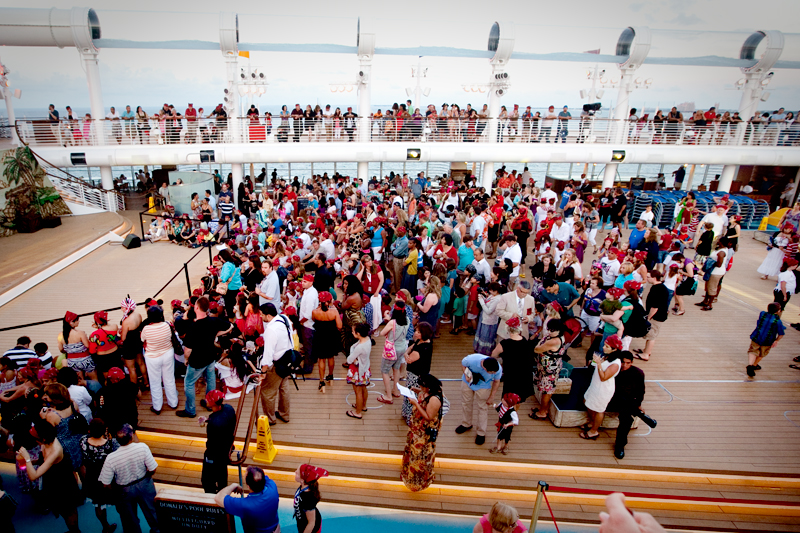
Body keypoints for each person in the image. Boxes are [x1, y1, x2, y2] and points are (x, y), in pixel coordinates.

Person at [17, 421, 83, 533]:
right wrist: (31, 462)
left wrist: (27, 459)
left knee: (69, 510)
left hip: (63, 484)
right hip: (53, 481)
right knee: (62, 510)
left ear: (43, 439)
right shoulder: (46, 441)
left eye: (36, 438)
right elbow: (43, 462)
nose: (35, 441)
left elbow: (34, 476)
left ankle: (75, 531)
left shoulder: (55, 450)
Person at [99, 424, 161, 533]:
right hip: (144, 484)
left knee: (129, 520)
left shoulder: (111, 458)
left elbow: (106, 484)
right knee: (153, 512)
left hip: (124, 490)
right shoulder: (142, 447)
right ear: (131, 436)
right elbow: (153, 469)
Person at [401, 373, 444, 492]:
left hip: (424, 432)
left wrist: (415, 403)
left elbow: (428, 416)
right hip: (416, 428)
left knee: (420, 455)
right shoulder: (430, 391)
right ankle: (408, 473)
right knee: (412, 450)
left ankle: (419, 481)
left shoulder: (434, 399)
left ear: (428, 387)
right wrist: (417, 391)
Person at [80, 418, 120, 533]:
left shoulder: (83, 441)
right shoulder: (111, 444)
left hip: (92, 477)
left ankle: (105, 527)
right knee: (119, 502)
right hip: (109, 477)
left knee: (98, 504)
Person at [581, 336, 623, 440]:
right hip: (595, 386)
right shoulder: (608, 356)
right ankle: (593, 422)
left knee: (599, 410)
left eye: (607, 346)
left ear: (614, 349)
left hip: (603, 389)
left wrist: (599, 364)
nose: (603, 347)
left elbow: (604, 377)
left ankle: (594, 431)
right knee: (588, 402)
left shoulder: (616, 364)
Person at [215, 466, 280, 533]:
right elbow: (262, 478)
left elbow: (218, 498)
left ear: (248, 486)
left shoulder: (244, 505)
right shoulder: (272, 486)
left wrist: (233, 485)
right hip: (275, 530)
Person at [606, 352, 646, 459]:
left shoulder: (638, 373)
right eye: (623, 362)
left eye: (628, 363)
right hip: (611, 400)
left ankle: (620, 445)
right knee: (627, 415)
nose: (624, 365)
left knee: (627, 420)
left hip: (627, 402)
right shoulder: (614, 369)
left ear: (632, 363)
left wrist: (638, 404)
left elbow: (640, 391)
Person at [455, 354, 502, 445]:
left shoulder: (498, 369)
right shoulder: (472, 359)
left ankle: (481, 433)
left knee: (483, 408)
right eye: (491, 373)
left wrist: (492, 396)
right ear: (484, 367)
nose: (493, 374)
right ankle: (466, 424)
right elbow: (463, 364)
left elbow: (496, 381)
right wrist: (466, 374)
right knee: (466, 403)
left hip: (484, 387)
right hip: (467, 383)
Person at [140, 305, 178, 414]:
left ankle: (157, 406)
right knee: (169, 379)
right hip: (167, 354)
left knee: (155, 381)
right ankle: (173, 402)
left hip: (152, 357)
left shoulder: (146, 329)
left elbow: (143, 340)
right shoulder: (167, 325)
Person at [259, 303, 293, 426]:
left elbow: (268, 354)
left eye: (261, 314)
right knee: (284, 388)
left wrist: (263, 371)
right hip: (287, 358)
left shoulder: (271, 330)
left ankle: (270, 418)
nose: (260, 316)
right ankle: (285, 414)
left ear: (268, 316)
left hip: (276, 363)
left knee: (268, 392)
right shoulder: (284, 319)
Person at [196, 389, 236, 494]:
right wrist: (209, 420)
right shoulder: (229, 409)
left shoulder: (214, 424)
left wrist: (210, 421)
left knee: (207, 481)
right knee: (222, 477)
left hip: (214, 455)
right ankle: (223, 496)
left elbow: (211, 443)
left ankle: (212, 502)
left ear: (211, 403)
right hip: (226, 449)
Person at [529, 319, 565, 420]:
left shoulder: (553, 341)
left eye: (552, 330)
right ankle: (543, 408)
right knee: (545, 389)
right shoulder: (557, 337)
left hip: (549, 370)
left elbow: (537, 349)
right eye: (548, 329)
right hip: (547, 367)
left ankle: (543, 412)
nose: (549, 331)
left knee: (546, 391)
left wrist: (541, 342)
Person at [490, 317, 532, 402]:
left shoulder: (504, 343)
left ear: (508, 330)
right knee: (519, 398)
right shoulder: (525, 341)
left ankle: (508, 413)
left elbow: (493, 354)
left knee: (508, 397)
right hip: (523, 373)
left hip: (511, 373)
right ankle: (514, 412)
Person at [402, 322, 434, 424]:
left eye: (418, 331)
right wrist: (406, 353)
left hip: (416, 375)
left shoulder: (421, 348)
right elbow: (409, 348)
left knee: (411, 395)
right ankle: (406, 413)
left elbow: (409, 359)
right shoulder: (421, 342)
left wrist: (406, 354)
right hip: (418, 372)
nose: (415, 333)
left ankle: (410, 417)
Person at [377, 301, 409, 404]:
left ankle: (388, 396)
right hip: (402, 347)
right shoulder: (407, 320)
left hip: (391, 349)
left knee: (385, 371)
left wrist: (387, 319)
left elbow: (382, 333)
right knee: (396, 368)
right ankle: (396, 390)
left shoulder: (392, 322)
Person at [634, 270, 669, 361]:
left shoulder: (657, 289)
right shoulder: (660, 287)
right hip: (659, 315)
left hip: (656, 316)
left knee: (651, 335)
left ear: (654, 278)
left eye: (648, 277)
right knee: (650, 334)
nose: (647, 278)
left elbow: (655, 307)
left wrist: (648, 317)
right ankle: (646, 350)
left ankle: (646, 354)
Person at [311, 291, 341, 392]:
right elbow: (339, 326)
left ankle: (321, 381)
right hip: (331, 335)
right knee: (331, 356)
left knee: (321, 359)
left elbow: (314, 320)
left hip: (320, 336)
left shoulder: (315, 311)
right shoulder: (334, 312)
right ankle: (331, 376)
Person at [747, 302, 785, 377]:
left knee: (753, 351)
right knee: (762, 353)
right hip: (768, 340)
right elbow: (781, 333)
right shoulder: (778, 321)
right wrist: (776, 340)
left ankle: (750, 365)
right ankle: (754, 365)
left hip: (757, 336)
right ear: (778, 311)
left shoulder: (762, 314)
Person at [345, 322, 372, 419]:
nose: (352, 333)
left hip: (357, 371)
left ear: (358, 333)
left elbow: (349, 360)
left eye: (353, 331)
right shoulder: (368, 340)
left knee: (358, 391)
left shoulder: (360, 347)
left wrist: (353, 357)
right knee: (364, 388)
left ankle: (358, 412)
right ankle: (363, 406)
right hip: (365, 368)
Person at [293, 464, 328, 533]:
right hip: (304, 520)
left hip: (311, 528)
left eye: (297, 473)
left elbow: (311, 523)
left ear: (303, 480)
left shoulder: (308, 498)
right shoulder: (304, 486)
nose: (295, 472)